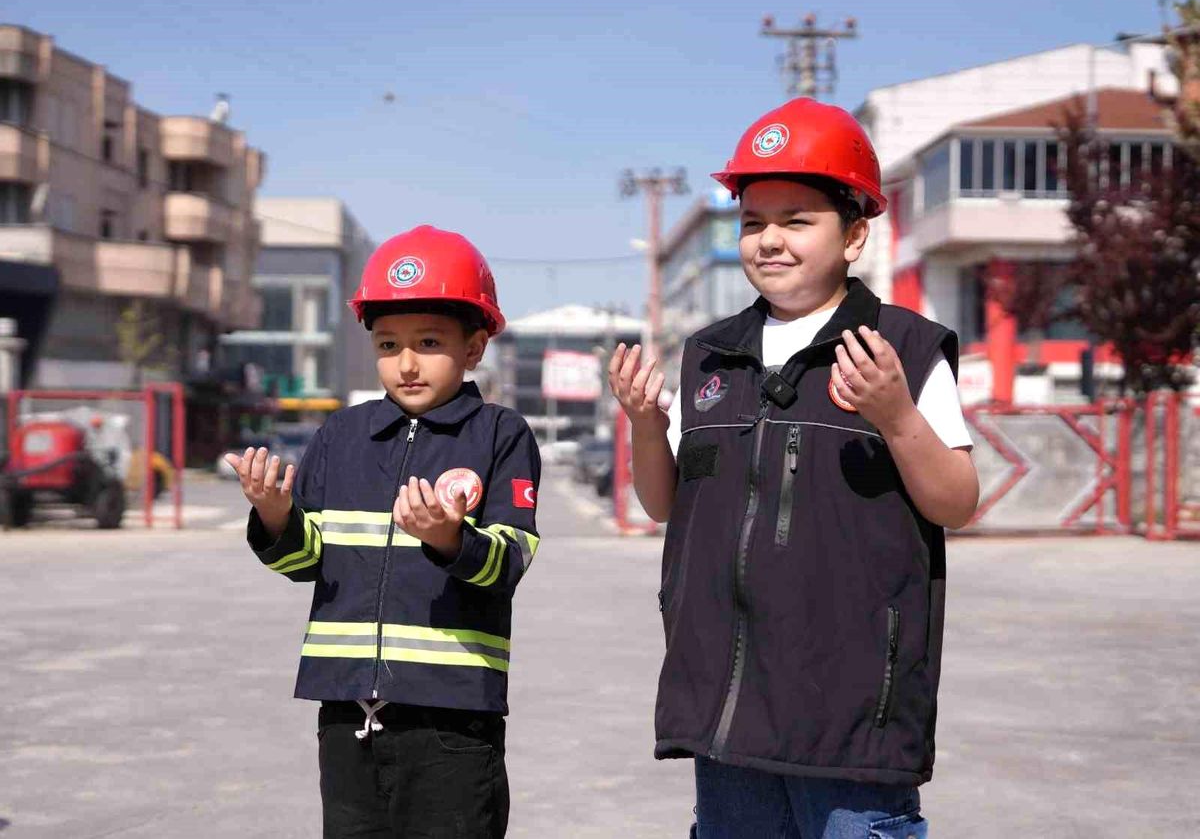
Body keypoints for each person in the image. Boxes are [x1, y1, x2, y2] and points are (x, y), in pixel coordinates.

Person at [609, 98, 979, 838]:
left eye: (797, 220)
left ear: (855, 235)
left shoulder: (900, 350)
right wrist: (647, 426)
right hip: (729, 701)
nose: (769, 240)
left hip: (850, 718)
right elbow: (663, 504)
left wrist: (897, 418)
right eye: (752, 222)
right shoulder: (710, 355)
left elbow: (956, 503)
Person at [226, 225, 541, 838]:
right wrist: (272, 514)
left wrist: (451, 538)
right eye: (388, 343)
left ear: (475, 347)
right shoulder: (341, 437)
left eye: (429, 341)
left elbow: (510, 561)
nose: (407, 362)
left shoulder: (501, 436)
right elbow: (304, 562)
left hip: (452, 720)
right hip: (346, 717)